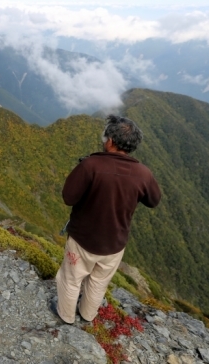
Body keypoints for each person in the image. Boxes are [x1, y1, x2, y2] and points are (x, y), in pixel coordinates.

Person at [51, 114, 162, 325]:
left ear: (110, 140)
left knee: (71, 279)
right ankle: (87, 316)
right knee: (98, 282)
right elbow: (153, 200)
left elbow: (68, 197)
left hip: (83, 240)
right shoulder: (143, 174)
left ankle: (65, 317)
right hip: (115, 243)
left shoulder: (91, 165)